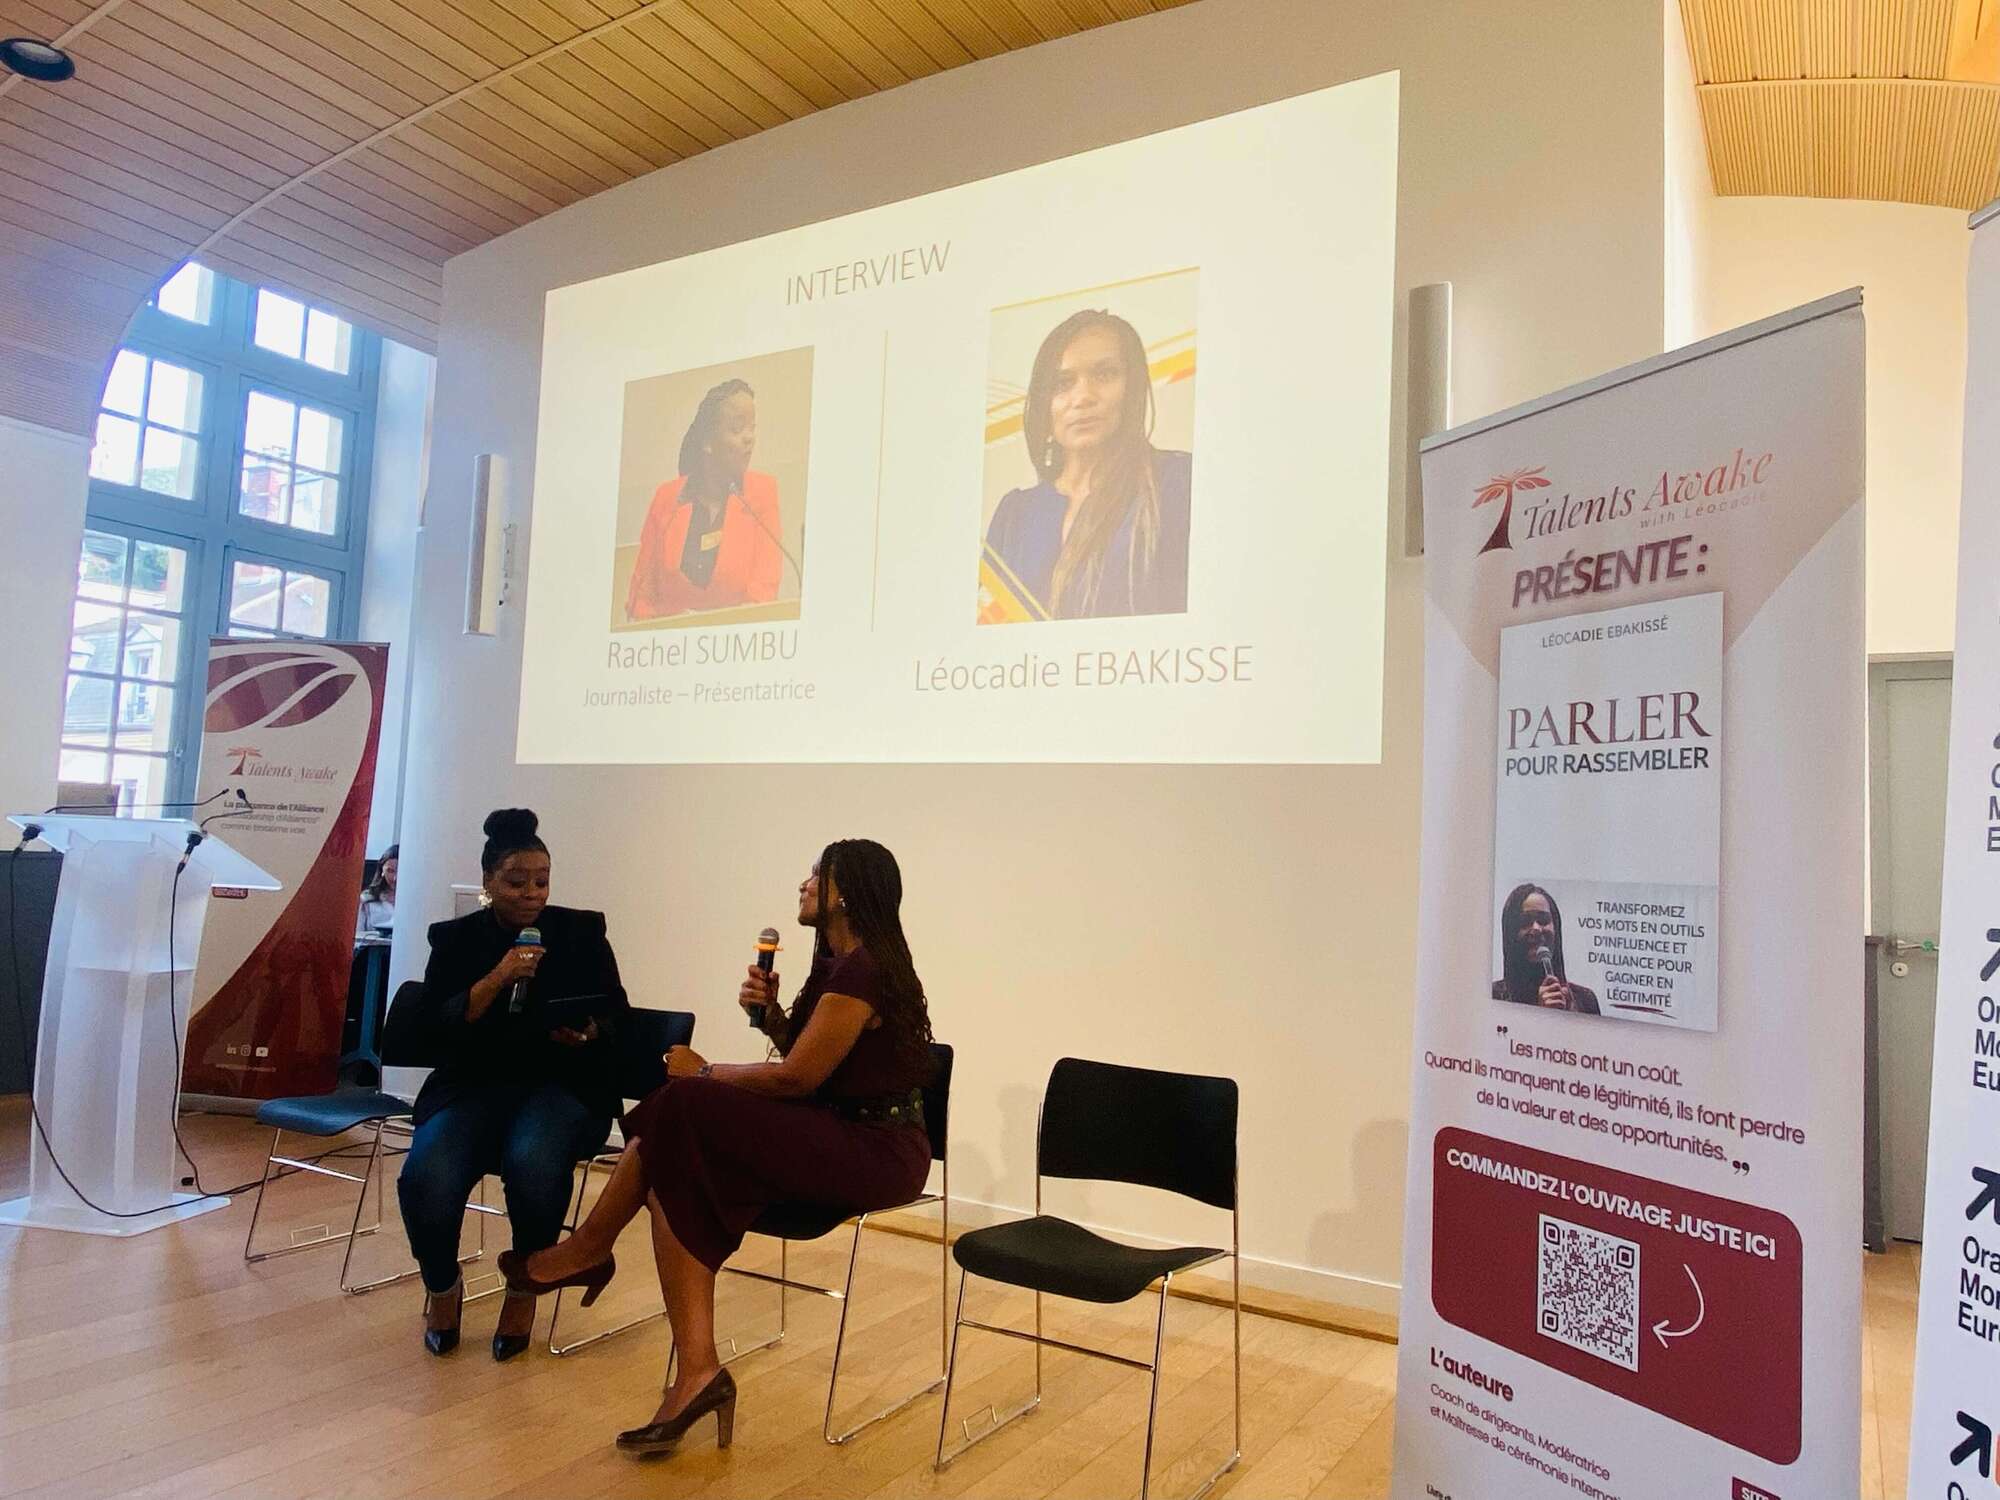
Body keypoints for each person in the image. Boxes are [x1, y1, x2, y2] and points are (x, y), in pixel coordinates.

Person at [500, 838, 936, 1457]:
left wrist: (706, 1071)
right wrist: (773, 1018)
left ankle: (589, 1249)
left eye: (818, 876)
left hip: (877, 1150)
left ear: (847, 895)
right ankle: (697, 1373)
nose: (804, 884)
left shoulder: (865, 970)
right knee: (676, 1166)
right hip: (833, 1129)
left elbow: (797, 1079)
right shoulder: (836, 964)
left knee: (684, 1103)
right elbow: (818, 1064)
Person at [383, 809, 631, 1361]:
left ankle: (525, 1286)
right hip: (473, 1082)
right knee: (427, 1175)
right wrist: (500, 976)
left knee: (533, 1163)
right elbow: (439, 1026)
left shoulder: (582, 931)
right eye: (517, 882)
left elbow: (616, 1011)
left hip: (560, 1083)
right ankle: (442, 1286)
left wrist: (589, 1031)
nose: (532, 893)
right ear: (488, 882)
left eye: (542, 881)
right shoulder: (455, 939)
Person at [980, 308, 1192, 622]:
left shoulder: (1177, 484)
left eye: (1104, 375)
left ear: (1132, 388)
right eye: (1063, 383)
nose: (1083, 397)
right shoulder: (1014, 515)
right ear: (1044, 404)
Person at [625, 378, 786, 623]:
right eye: (737, 429)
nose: (749, 438)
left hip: (735, 640)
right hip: (669, 642)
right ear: (708, 443)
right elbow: (641, 598)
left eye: (752, 428)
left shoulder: (762, 492)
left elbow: (763, 591)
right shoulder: (667, 498)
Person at [1491, 882, 1601, 1015]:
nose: (1536, 928)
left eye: (1543, 920)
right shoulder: (1493, 996)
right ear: (1511, 933)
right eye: (1525, 922)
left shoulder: (1585, 1000)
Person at [355, 843, 397, 939]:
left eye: (400, 871)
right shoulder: (366, 899)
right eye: (390, 871)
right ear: (382, 870)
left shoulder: (415, 902)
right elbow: (357, 934)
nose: (395, 878)